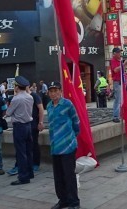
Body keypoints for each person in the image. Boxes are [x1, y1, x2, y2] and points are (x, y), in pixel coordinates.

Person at [46, 81, 80, 209]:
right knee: (58, 176)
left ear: (60, 91)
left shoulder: (67, 104)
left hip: (68, 147)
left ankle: (74, 202)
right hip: (55, 147)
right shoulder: (49, 106)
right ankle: (63, 200)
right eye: (51, 91)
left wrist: (70, 137)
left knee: (69, 175)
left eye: (56, 90)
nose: (53, 93)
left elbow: (76, 122)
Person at [6, 76, 34, 185]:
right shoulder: (29, 97)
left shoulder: (16, 98)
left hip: (19, 127)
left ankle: (23, 177)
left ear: (17, 87)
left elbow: (8, 113)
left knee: (21, 153)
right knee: (28, 151)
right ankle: (30, 172)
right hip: (28, 125)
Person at [110, 47, 127, 123]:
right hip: (117, 83)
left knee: (121, 99)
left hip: (121, 82)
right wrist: (124, 64)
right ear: (114, 53)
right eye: (118, 52)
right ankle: (115, 116)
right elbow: (115, 70)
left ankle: (120, 114)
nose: (120, 54)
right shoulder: (113, 61)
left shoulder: (119, 61)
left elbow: (121, 71)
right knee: (117, 99)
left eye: (120, 52)